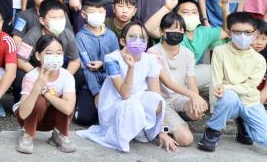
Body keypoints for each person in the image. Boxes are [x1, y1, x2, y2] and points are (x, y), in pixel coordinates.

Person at [77, 21, 177, 152]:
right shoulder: (111, 59)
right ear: (123, 41)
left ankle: (140, 129)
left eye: (142, 38)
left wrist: (163, 131)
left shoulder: (150, 59)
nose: (138, 41)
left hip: (136, 99)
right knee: (132, 105)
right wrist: (131, 67)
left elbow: (156, 94)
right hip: (114, 103)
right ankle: (118, 136)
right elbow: (124, 94)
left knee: (157, 101)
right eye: (133, 37)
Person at [198, 12, 267, 151]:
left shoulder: (259, 60)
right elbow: (216, 82)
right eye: (237, 32)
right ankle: (213, 131)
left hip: (250, 101)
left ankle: (243, 124)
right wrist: (216, 102)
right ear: (229, 33)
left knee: (264, 138)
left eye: (247, 32)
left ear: (254, 34)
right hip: (227, 100)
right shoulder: (220, 51)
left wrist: (226, 87)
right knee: (228, 97)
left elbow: (250, 86)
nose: (243, 36)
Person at [147, 12, 208, 147]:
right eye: (172, 29)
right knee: (186, 140)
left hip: (179, 97)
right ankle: (165, 127)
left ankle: (177, 121)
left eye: (181, 30)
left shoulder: (188, 54)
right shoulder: (153, 53)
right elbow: (167, 82)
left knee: (200, 107)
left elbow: (191, 82)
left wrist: (195, 97)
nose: (177, 33)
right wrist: (193, 95)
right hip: (162, 102)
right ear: (162, 32)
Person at [14, 35, 77, 154]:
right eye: (49, 53)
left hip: (51, 120)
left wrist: (46, 94)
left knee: (66, 100)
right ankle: (27, 133)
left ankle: (59, 133)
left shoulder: (67, 76)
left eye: (59, 53)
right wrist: (37, 88)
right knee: (39, 101)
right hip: (27, 118)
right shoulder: (31, 76)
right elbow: (22, 113)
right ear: (38, 56)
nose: (55, 57)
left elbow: (68, 109)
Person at [74, 0, 120, 126]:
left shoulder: (111, 36)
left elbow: (117, 62)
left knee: (115, 115)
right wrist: (96, 93)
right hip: (90, 85)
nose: (97, 15)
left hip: (110, 82)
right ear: (84, 14)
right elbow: (86, 68)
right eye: (92, 12)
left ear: (105, 12)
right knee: (84, 119)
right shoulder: (80, 37)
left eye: (100, 11)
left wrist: (103, 64)